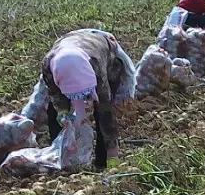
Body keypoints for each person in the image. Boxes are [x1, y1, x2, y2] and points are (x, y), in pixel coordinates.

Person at [39, 29, 134, 169]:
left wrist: (113, 152)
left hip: (101, 48)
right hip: (70, 43)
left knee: (101, 112)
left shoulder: (96, 67)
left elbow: (106, 111)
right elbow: (55, 95)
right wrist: (63, 114)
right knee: (54, 112)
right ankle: (60, 155)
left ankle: (103, 162)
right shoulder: (49, 65)